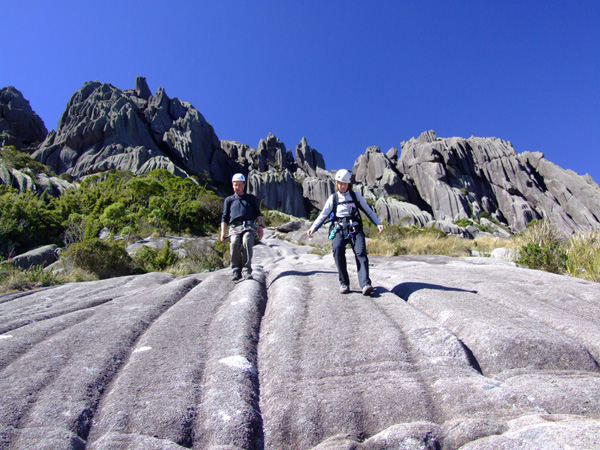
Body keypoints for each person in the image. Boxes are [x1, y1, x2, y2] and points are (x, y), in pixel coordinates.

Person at [307, 169, 384, 295]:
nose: (342, 186)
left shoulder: (356, 196)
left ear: (349, 184)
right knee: (337, 250)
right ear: (336, 183)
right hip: (339, 229)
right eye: (340, 183)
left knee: (361, 253)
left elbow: (368, 211)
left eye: (344, 183)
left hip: (355, 228)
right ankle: (344, 283)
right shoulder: (333, 198)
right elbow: (323, 215)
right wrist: (313, 228)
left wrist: (378, 223)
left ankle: (365, 284)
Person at [220, 173, 264, 281]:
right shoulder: (229, 200)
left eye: (239, 185)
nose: (237, 187)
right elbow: (224, 217)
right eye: (235, 185)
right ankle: (236, 270)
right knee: (234, 242)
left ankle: (246, 270)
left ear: (244, 185)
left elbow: (258, 213)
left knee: (247, 240)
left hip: (248, 225)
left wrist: (260, 227)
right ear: (232, 185)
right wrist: (223, 232)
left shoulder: (251, 198)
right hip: (234, 226)